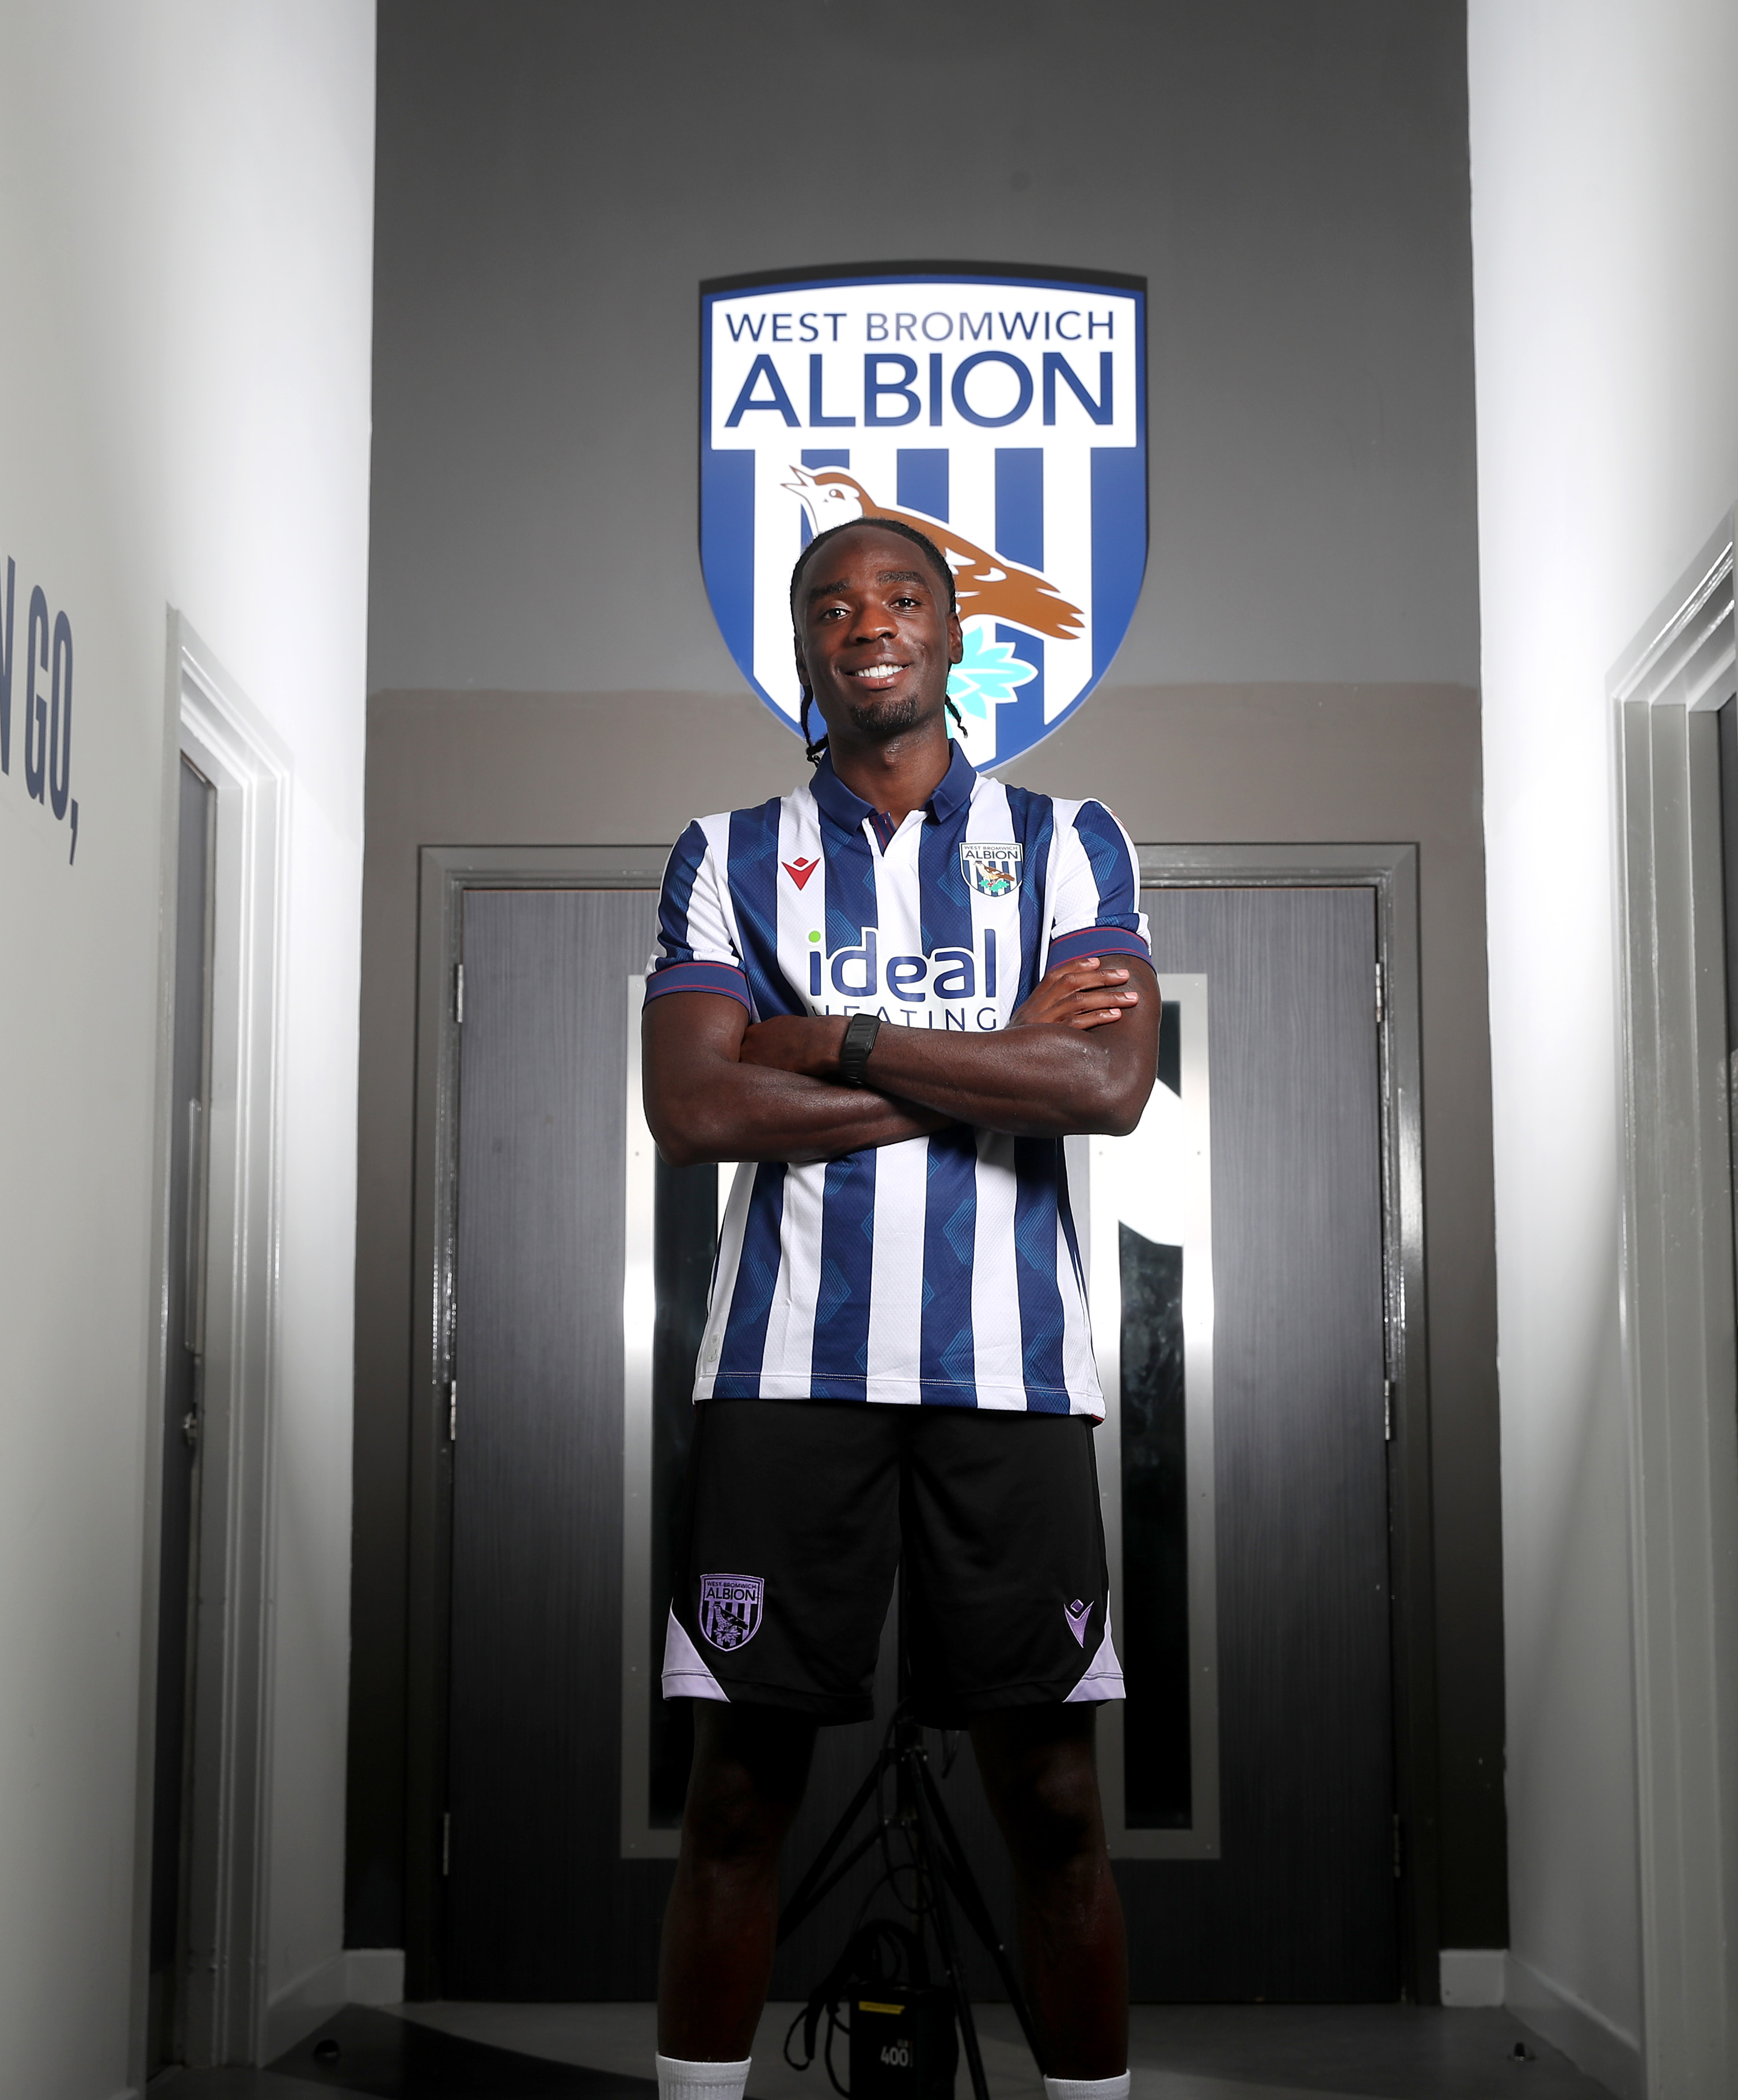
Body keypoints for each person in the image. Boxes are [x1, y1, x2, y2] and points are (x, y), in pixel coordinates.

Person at [641, 512, 1158, 2100]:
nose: (867, 620)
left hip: (1010, 1389)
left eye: (902, 597)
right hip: (782, 1384)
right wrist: (996, 1057)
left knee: (1057, 1804)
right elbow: (698, 1111)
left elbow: (1109, 1084)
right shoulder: (726, 855)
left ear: (954, 637)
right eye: (831, 603)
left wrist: (836, 1040)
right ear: (802, 648)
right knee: (737, 1797)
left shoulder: (1074, 843)